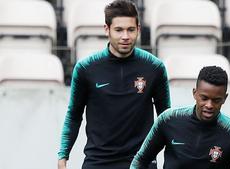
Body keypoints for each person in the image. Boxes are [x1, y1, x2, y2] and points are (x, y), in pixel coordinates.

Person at [57, 0, 171, 169]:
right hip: (98, 161)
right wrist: (63, 154)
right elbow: (74, 114)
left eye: (131, 30)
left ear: (138, 29)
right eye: (119, 30)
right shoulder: (85, 68)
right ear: (107, 30)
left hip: (140, 162)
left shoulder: (154, 67)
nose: (125, 36)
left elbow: (165, 117)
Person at [130, 66, 230, 169]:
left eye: (216, 100)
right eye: (204, 98)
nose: (209, 105)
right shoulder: (168, 119)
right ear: (195, 93)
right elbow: (140, 161)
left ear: (224, 98)